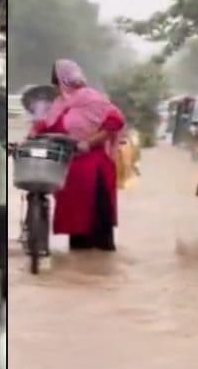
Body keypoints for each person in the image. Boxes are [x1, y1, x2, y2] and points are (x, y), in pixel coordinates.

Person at [30, 59, 126, 251]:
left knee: (97, 225)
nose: (55, 87)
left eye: (56, 82)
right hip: (68, 168)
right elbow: (45, 127)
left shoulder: (93, 99)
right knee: (77, 229)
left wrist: (87, 144)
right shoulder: (58, 104)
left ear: (64, 80)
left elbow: (115, 122)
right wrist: (30, 137)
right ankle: (81, 270)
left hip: (95, 167)